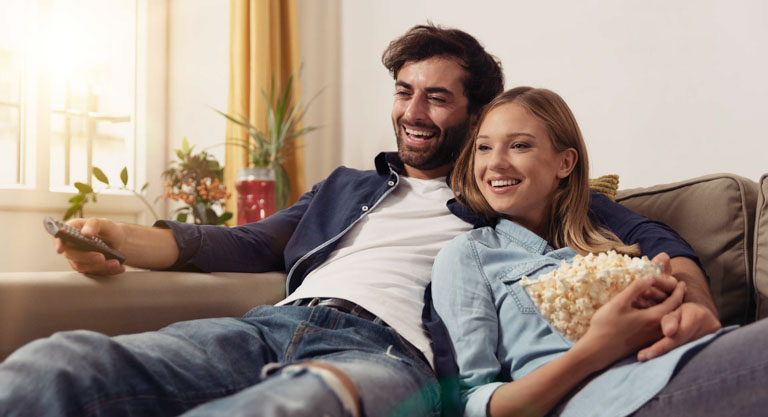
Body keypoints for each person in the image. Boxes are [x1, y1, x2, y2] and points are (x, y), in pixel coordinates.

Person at [0, 25, 710, 417]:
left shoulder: (505, 196)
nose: (413, 111)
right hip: (269, 325)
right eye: (405, 92)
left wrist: (694, 301)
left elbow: (650, 238)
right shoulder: (347, 187)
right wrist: (121, 239)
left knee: (291, 407)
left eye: (437, 97)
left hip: (390, 357)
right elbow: (243, 242)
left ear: (476, 112)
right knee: (56, 363)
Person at [430, 86, 768, 417]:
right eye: (484, 148)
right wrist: (599, 348)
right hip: (609, 399)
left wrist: (686, 311)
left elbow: (664, 245)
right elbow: (471, 403)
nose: (496, 163)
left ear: (565, 163)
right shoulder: (467, 256)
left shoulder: (607, 241)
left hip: (678, 365)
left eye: (519, 145)